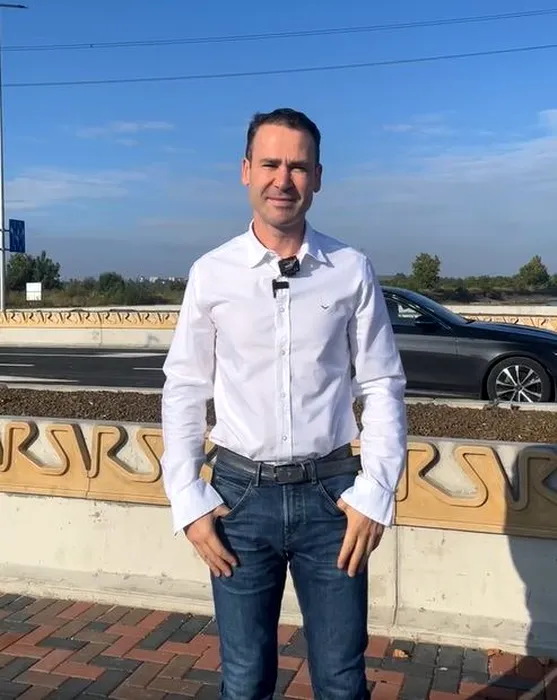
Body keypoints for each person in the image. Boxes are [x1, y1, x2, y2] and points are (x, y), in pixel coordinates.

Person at [161, 107, 407, 700]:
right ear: (246, 170)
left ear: (318, 177)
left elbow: (381, 383)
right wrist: (187, 499)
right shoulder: (212, 273)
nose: (283, 179)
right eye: (270, 163)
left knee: (342, 680)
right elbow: (186, 387)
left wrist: (376, 491)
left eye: (298, 166)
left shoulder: (350, 270)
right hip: (239, 501)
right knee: (245, 680)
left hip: (333, 498)